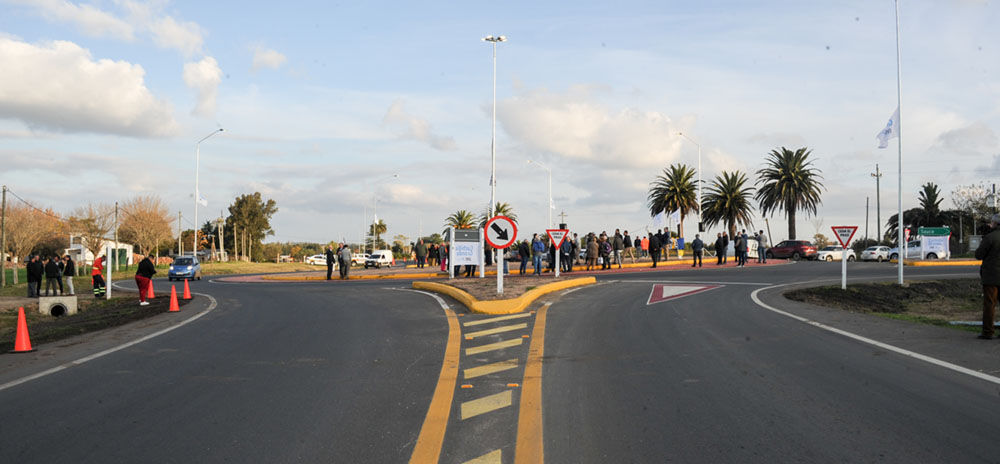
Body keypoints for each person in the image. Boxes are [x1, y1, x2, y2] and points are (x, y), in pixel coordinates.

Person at [975, 214, 1000, 339]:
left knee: (990, 304)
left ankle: (988, 331)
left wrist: (985, 236)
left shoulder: (990, 237)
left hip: (991, 276)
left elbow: (979, 255)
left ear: (994, 223)